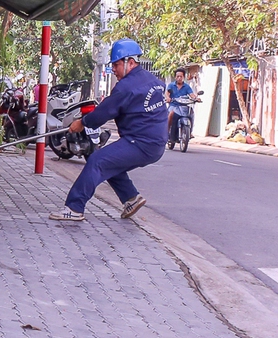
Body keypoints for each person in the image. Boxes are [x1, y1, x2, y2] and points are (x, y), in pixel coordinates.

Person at [49, 38, 168, 221]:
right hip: (155, 143)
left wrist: (81, 123)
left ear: (130, 62)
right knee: (110, 161)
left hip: (140, 143)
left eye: (117, 65)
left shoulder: (126, 87)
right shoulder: (154, 81)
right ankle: (131, 198)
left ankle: (74, 208)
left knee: (97, 161)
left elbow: (103, 113)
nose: (114, 69)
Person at [165, 68, 198, 133]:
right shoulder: (171, 85)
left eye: (181, 76)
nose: (179, 78)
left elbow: (192, 95)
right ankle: (167, 131)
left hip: (184, 106)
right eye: (178, 76)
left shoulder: (187, 86)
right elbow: (167, 93)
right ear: (175, 77)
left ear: (184, 77)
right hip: (173, 105)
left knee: (191, 113)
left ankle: (190, 132)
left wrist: (196, 98)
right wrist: (168, 98)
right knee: (170, 114)